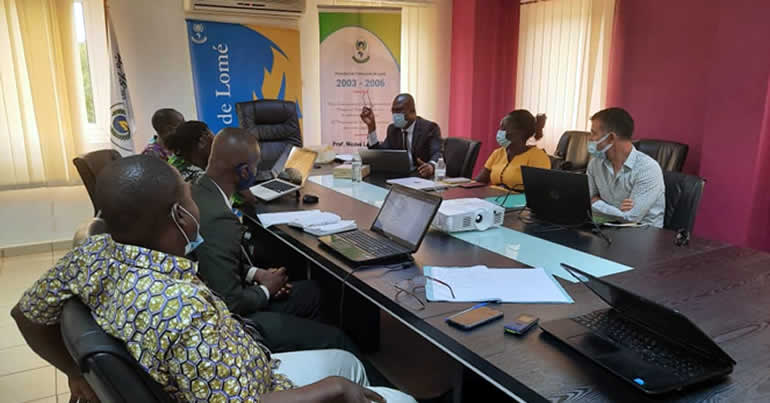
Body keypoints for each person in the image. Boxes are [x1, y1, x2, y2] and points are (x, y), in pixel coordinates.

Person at [10, 155, 415, 403]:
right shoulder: (184, 312)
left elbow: (24, 313)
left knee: (345, 361)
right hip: (252, 390)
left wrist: (74, 372)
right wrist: (332, 390)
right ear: (178, 217)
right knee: (393, 397)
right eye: (188, 197)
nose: (195, 204)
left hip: (248, 369)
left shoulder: (91, 254)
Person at [190, 128, 361, 355]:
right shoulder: (219, 218)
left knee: (313, 291)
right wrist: (265, 290)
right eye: (255, 166)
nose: (256, 171)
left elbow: (212, 260)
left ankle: (314, 352)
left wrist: (256, 274)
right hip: (235, 322)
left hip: (224, 290)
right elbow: (230, 302)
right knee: (336, 339)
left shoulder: (199, 191)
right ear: (243, 172)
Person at [587, 107, 665, 227]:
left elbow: (631, 218)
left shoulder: (648, 169)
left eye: (594, 133)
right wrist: (618, 209)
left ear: (611, 138)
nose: (590, 138)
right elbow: (586, 201)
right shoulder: (595, 163)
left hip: (643, 235)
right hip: (605, 228)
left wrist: (598, 203)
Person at [360, 93, 441, 178]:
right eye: (393, 111)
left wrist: (431, 166)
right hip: (400, 179)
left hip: (422, 177)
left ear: (412, 111)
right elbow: (380, 154)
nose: (395, 115)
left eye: (399, 110)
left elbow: (437, 153)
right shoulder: (393, 129)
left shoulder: (429, 128)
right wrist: (371, 128)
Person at [476, 110, 550, 189]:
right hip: (492, 198)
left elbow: (539, 191)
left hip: (519, 200)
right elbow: (479, 181)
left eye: (504, 129)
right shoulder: (498, 153)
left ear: (520, 132)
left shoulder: (538, 157)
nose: (500, 132)